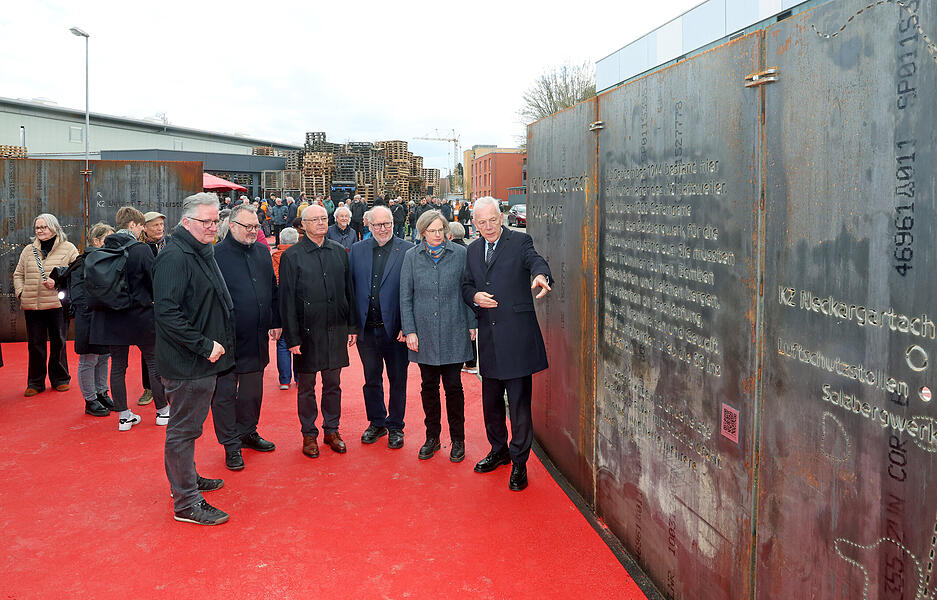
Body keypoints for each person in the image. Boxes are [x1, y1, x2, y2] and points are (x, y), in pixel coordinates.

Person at [461, 196, 552, 491]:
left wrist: (540, 275)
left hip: (517, 339)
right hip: (488, 340)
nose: (488, 227)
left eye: (492, 220)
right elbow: (466, 285)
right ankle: (498, 450)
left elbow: (536, 261)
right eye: (481, 222)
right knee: (491, 404)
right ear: (474, 223)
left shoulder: (520, 241)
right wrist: (474, 297)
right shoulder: (472, 250)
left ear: (501, 217)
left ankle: (520, 462)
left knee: (519, 406)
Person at [154, 192, 233, 525]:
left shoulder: (199, 250)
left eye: (216, 221)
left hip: (201, 360)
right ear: (186, 222)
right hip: (189, 361)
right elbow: (167, 313)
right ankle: (186, 501)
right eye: (206, 222)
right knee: (183, 431)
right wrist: (203, 345)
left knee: (189, 428)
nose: (213, 227)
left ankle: (186, 478)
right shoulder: (175, 256)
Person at [279, 204, 358, 458]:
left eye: (324, 218)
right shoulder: (292, 256)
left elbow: (349, 292)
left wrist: (351, 326)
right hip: (306, 333)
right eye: (315, 220)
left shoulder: (339, 252)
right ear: (303, 224)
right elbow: (287, 299)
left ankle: (332, 430)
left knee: (333, 384)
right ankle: (309, 434)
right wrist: (292, 337)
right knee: (307, 386)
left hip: (335, 329)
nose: (322, 223)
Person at [400, 210, 476, 462]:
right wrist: (409, 329)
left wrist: (472, 323)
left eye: (440, 230)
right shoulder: (411, 257)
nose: (437, 235)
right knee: (428, 387)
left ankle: (458, 440)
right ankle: (432, 437)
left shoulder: (461, 255)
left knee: (454, 387)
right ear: (422, 233)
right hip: (425, 334)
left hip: (454, 329)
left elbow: (468, 291)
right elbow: (405, 297)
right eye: (431, 231)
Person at [212, 204, 281, 471]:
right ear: (232, 226)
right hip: (226, 338)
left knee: (252, 391)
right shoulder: (215, 255)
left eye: (256, 227)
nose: (254, 232)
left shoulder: (263, 252)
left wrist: (276, 321)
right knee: (225, 394)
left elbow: (272, 288)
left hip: (257, 336)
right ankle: (230, 444)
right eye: (248, 227)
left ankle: (248, 431)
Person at [90, 206, 169, 431]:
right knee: (154, 363)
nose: (142, 230)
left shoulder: (104, 249)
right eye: (141, 225)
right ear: (132, 225)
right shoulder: (141, 250)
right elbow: (155, 283)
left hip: (113, 317)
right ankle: (163, 411)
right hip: (141, 315)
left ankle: (124, 416)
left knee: (118, 367)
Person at [349, 206, 413, 449]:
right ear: (369, 226)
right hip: (367, 329)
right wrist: (353, 326)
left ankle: (396, 425)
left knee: (398, 380)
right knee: (371, 379)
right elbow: (351, 289)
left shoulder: (408, 250)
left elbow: (411, 292)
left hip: (396, 332)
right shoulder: (357, 250)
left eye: (386, 224)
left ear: (393, 223)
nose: (382, 229)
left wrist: (407, 327)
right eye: (377, 225)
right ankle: (376, 422)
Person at [13, 213, 79, 396]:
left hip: (58, 305)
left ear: (54, 228)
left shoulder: (68, 248)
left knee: (59, 342)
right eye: (37, 228)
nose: (40, 231)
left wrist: (57, 283)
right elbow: (18, 274)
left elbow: (77, 273)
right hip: (32, 305)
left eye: (44, 227)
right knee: (35, 343)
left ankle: (60, 379)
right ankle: (35, 382)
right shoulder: (28, 250)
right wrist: (21, 293)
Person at [67, 222, 116, 416]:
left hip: (104, 316)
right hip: (88, 317)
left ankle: (102, 392)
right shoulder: (82, 261)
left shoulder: (108, 259)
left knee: (104, 357)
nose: (112, 243)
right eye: (108, 239)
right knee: (89, 359)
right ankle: (90, 399)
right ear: (96, 240)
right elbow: (79, 294)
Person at [137, 211, 167, 407]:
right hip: (147, 306)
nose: (160, 228)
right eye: (155, 225)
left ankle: (169, 385)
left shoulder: (170, 244)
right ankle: (149, 387)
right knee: (148, 348)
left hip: (169, 303)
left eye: (161, 225)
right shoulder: (139, 248)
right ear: (144, 227)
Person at [272, 227, 299, 390]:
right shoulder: (298, 255)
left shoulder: (274, 257)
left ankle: (284, 380)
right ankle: (299, 377)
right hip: (297, 302)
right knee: (299, 340)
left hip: (280, 302)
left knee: (282, 343)